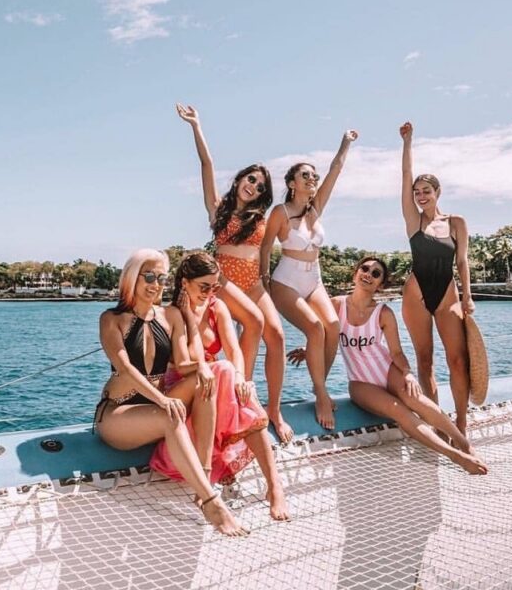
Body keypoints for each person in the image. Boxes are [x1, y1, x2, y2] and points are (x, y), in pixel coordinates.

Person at [94, 248, 246, 536]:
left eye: (161, 278)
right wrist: (163, 398)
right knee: (169, 416)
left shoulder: (171, 315)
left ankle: (204, 476)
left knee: (207, 378)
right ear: (132, 278)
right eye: (148, 276)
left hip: (154, 406)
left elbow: (182, 362)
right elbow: (125, 369)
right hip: (117, 413)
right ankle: (212, 504)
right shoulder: (111, 319)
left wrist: (203, 367)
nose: (155, 284)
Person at [290, 257, 487, 475]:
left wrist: (408, 373)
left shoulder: (383, 312)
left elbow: (396, 352)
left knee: (415, 399)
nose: (368, 274)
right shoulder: (336, 305)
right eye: (365, 269)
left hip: (387, 370)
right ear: (355, 273)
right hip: (360, 382)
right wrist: (308, 349)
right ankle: (455, 456)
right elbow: (323, 336)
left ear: (380, 284)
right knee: (401, 413)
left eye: (376, 274)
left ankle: (463, 443)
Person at [176, 103, 292, 445]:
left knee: (278, 337)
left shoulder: (262, 216)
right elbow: (206, 164)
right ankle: (245, 395)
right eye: (250, 179)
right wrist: (196, 125)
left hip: (253, 282)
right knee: (253, 323)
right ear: (240, 179)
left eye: (259, 186)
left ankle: (275, 409)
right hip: (224, 281)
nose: (253, 187)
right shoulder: (218, 210)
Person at [150, 252, 290, 520]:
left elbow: (234, 350)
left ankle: (275, 486)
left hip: (214, 385)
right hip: (182, 387)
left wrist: (240, 377)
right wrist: (191, 316)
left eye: (215, 286)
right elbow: (187, 363)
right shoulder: (171, 313)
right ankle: (214, 478)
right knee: (224, 371)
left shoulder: (216, 307)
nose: (210, 292)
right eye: (204, 286)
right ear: (185, 283)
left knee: (238, 385)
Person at [260, 130, 358, 430]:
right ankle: (321, 393)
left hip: (314, 279)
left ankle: (320, 384)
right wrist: (264, 279)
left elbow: (336, 170)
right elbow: (265, 246)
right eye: (305, 175)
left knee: (332, 327)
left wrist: (346, 142)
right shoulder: (281, 212)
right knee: (315, 328)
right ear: (292, 183)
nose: (312, 179)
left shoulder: (315, 210)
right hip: (285, 281)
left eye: (313, 175)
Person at [399, 121, 475, 436]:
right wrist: (407, 142)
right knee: (425, 360)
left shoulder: (456, 222)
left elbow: (461, 260)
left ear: (437, 192)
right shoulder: (413, 220)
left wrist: (468, 296)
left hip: (447, 294)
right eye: (417, 192)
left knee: (458, 360)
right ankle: (436, 420)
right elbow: (404, 177)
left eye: (426, 191)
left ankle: (460, 419)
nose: (420, 196)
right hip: (416, 294)